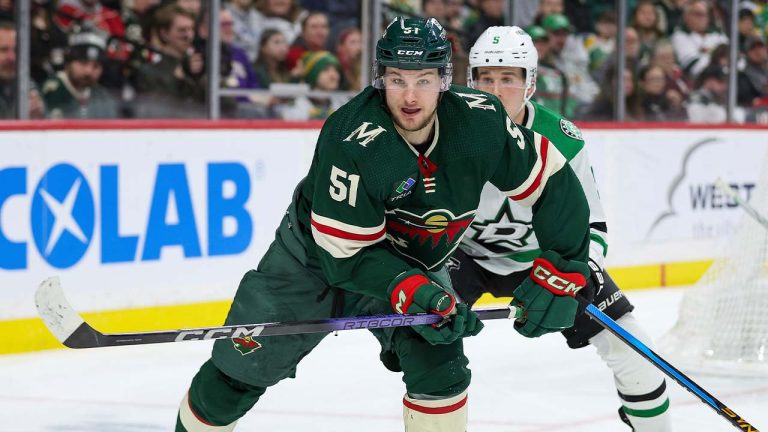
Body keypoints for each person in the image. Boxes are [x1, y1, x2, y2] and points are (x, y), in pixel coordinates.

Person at [176, 16, 592, 432]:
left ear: (445, 79)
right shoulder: (351, 137)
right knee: (234, 379)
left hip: (412, 265)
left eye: (424, 80)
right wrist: (414, 289)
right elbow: (345, 257)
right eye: (397, 80)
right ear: (380, 78)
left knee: (441, 370)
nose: (410, 97)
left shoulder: (479, 121)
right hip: (311, 264)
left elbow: (552, 182)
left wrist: (565, 268)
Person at [459, 26, 672, 431]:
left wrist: (575, 274)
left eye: (508, 78)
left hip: (546, 261)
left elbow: (593, 225)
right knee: (430, 348)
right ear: (470, 81)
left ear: (530, 84)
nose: (494, 89)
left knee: (634, 352)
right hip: (465, 259)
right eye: (485, 78)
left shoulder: (561, 139)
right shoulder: (445, 134)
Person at [41, 32, 119, 119]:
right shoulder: (46, 93)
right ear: (68, 63)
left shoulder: (103, 97)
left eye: (95, 66)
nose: (88, 71)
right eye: (83, 63)